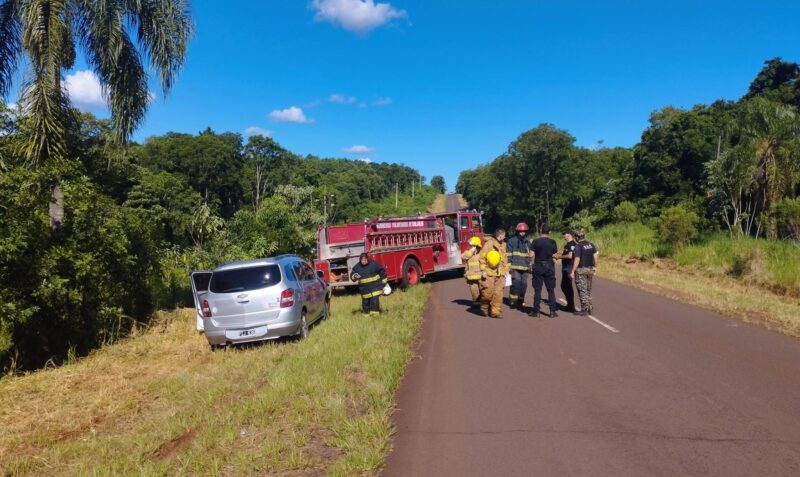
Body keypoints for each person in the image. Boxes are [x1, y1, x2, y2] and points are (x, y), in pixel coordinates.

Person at [529, 225, 559, 318]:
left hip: (538, 265)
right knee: (551, 290)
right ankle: (552, 312)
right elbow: (555, 255)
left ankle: (536, 311)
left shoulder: (535, 241)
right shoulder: (553, 242)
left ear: (540, 231)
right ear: (549, 232)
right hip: (549, 265)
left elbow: (531, 255)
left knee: (537, 290)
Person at [479, 228, 508, 318]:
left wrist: (506, 270)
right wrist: (483, 270)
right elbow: (482, 258)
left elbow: (505, 259)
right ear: (500, 235)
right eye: (504, 235)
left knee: (498, 294)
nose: (504, 237)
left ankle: (495, 312)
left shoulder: (504, 245)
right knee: (488, 292)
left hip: (500, 273)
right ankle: (484, 307)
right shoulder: (489, 244)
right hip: (489, 272)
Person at [571, 230, 599, 316]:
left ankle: (584, 309)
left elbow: (577, 259)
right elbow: (595, 255)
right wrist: (595, 266)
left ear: (577, 237)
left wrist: (573, 271)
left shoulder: (578, 246)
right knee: (588, 289)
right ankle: (590, 307)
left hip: (581, 270)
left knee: (582, 289)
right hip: (590, 269)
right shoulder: (590, 245)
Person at [350, 253, 387, 317]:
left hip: (375, 287)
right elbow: (352, 275)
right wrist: (354, 276)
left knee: (374, 301)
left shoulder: (374, 264)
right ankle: (366, 315)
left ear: (367, 259)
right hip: (364, 289)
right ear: (360, 260)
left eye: (365, 260)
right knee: (365, 303)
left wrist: (384, 282)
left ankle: (375, 316)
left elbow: (381, 271)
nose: (363, 261)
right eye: (362, 260)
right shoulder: (357, 267)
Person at [506, 222, 532, 309]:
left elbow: (530, 255)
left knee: (524, 284)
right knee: (516, 283)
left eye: (524, 231)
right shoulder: (511, 241)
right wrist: (508, 266)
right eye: (520, 231)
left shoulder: (528, 242)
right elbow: (508, 254)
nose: (522, 233)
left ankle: (521, 299)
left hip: (525, 267)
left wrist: (530, 265)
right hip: (514, 267)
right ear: (517, 231)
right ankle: (513, 301)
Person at [556, 230, 578, 313]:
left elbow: (570, 256)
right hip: (565, 267)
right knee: (564, 286)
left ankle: (571, 306)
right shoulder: (568, 245)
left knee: (567, 286)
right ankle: (570, 305)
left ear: (569, 235)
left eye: (564, 234)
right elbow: (566, 253)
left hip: (569, 267)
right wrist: (557, 253)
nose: (564, 235)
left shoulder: (572, 244)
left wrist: (559, 257)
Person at [461, 236, 483, 310]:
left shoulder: (481, 253)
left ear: (476, 246)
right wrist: (471, 251)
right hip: (471, 277)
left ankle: (485, 304)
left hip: (481, 276)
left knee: (483, 291)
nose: (470, 246)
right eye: (471, 245)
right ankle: (477, 304)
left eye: (472, 245)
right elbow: (463, 257)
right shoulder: (468, 252)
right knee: (474, 292)